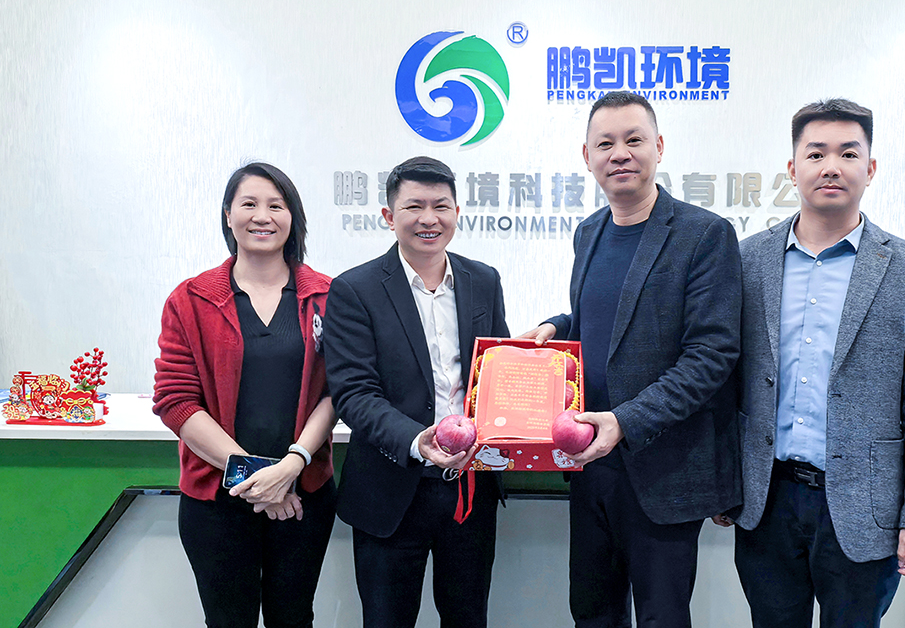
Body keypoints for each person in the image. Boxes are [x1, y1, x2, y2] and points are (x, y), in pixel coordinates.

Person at [522, 91, 742, 627]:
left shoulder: (704, 234)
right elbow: (605, 319)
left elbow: (711, 355)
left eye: (633, 139)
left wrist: (624, 421)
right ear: (587, 157)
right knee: (592, 611)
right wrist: (557, 326)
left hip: (663, 467)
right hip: (590, 465)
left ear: (659, 147)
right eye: (605, 144)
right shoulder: (589, 232)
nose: (619, 153)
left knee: (662, 617)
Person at [730, 98, 905, 627]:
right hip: (768, 499)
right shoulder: (747, 259)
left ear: (870, 169)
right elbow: (725, 379)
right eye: (816, 154)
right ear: (793, 168)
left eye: (848, 153)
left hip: (863, 505)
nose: (831, 166)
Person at [323, 156, 509, 628]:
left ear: (457, 212)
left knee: (468, 617)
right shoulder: (355, 289)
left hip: (469, 489)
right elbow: (354, 393)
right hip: (390, 488)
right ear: (389, 216)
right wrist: (416, 440)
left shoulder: (484, 280)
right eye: (414, 206)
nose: (430, 218)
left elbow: (497, 374)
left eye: (441, 206)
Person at [153, 162, 338, 628]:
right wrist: (256, 478)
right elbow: (176, 401)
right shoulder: (190, 299)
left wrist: (290, 467)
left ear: (293, 217)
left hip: (302, 496)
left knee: (293, 619)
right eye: (249, 204)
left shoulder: (328, 296)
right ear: (228, 214)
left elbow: (339, 390)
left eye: (276, 205)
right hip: (216, 503)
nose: (262, 216)